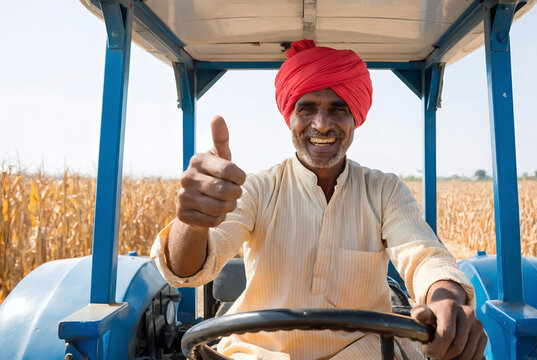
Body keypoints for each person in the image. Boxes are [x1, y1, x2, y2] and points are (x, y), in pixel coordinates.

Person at [151, 39, 486, 360]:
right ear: (290, 117)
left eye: (337, 109)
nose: (322, 124)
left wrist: (445, 299)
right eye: (307, 108)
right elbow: (187, 271)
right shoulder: (257, 189)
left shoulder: (384, 190)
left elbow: (425, 256)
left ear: (355, 116)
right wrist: (191, 223)